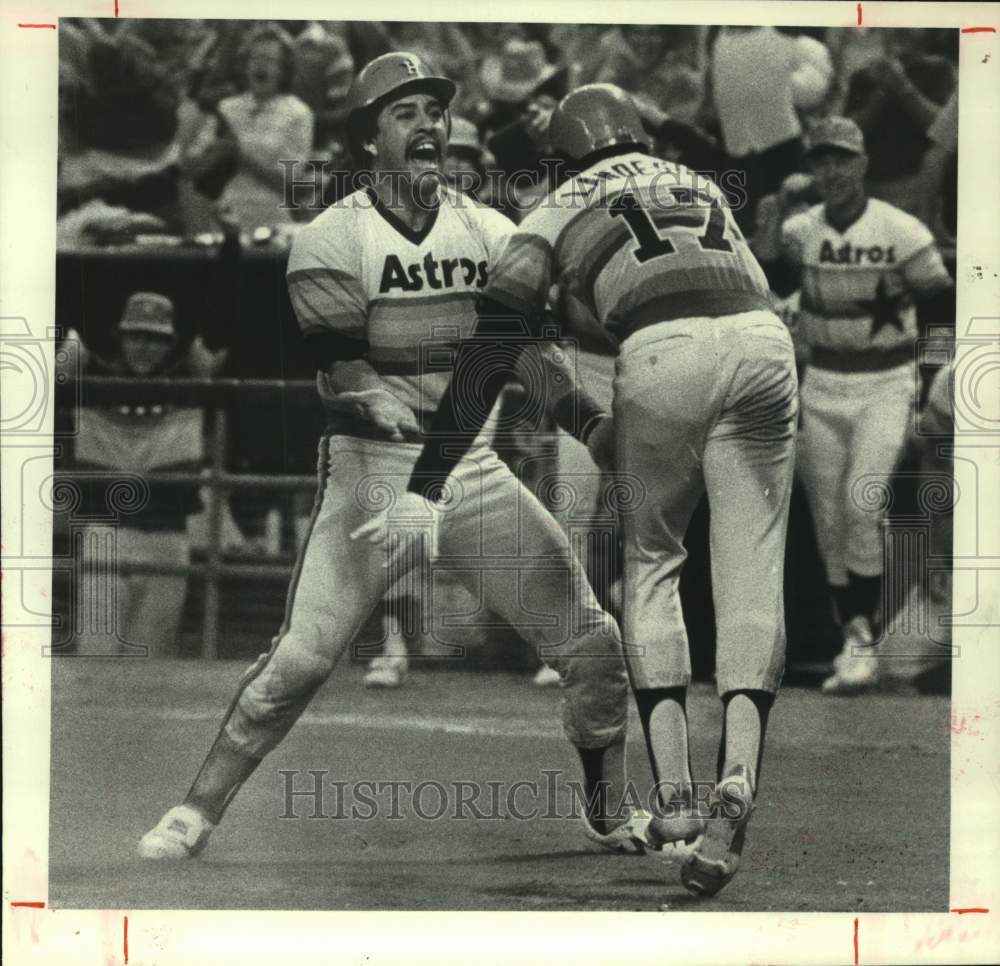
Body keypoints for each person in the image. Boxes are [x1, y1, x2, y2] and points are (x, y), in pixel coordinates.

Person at [138, 54, 633, 861]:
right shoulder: (332, 235)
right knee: (301, 660)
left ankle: (609, 812)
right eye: (406, 113)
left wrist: (593, 425)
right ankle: (196, 809)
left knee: (593, 645)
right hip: (374, 472)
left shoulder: (492, 231)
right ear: (370, 138)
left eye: (435, 111)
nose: (428, 125)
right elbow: (342, 363)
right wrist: (370, 393)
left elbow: (525, 355)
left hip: (470, 470)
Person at [373, 84, 801, 897]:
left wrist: (427, 482)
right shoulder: (698, 181)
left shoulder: (555, 204)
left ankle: (676, 796)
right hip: (763, 339)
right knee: (751, 570)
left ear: (563, 158)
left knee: (652, 563)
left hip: (663, 349)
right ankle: (739, 775)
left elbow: (492, 351)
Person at [755, 116, 953, 690]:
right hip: (821, 383)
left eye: (842, 159)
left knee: (862, 503)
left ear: (862, 163)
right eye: (822, 160)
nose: (833, 171)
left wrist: (931, 385)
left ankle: (862, 634)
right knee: (829, 522)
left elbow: (940, 307)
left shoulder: (902, 230)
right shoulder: (800, 229)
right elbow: (765, 278)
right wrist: (774, 212)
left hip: (886, 381)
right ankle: (855, 635)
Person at [59, 293, 226, 658]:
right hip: (105, 533)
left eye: (155, 338)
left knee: (151, 658)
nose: (144, 347)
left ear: (169, 344)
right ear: (120, 338)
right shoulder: (90, 379)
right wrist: (71, 348)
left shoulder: (189, 386)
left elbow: (216, 366)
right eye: (136, 336)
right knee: (96, 656)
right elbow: (52, 377)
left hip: (167, 536)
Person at [217, 24, 314, 230]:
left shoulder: (298, 113)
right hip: (226, 218)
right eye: (255, 58)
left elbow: (290, 182)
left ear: (284, 70)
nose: (261, 65)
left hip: (272, 220)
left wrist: (241, 158)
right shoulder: (225, 108)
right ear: (245, 65)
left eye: (270, 60)